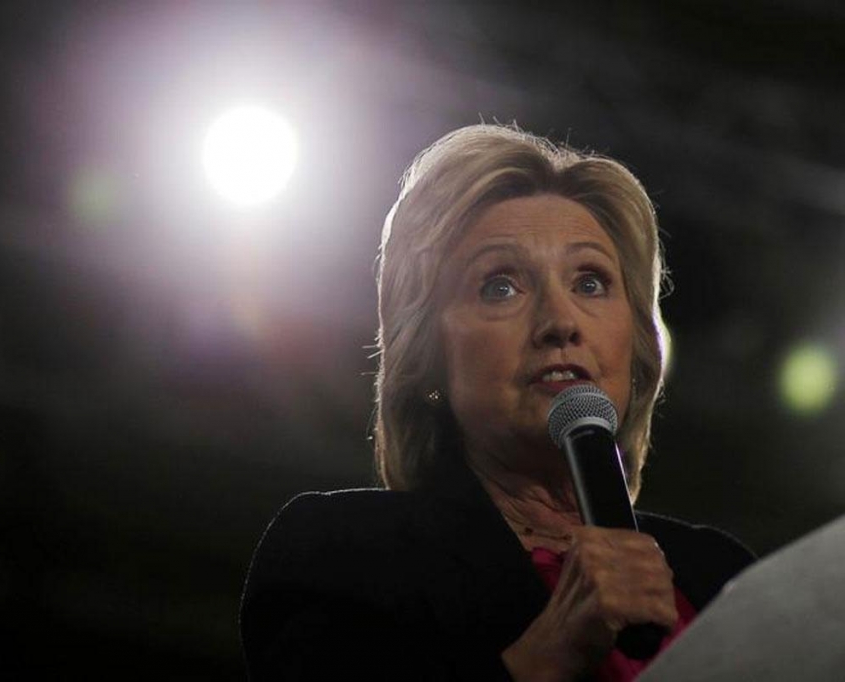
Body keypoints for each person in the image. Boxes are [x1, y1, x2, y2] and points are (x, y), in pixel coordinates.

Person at [240, 124, 755, 681]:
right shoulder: (343, 554)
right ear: (427, 360)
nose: (561, 322)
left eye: (589, 283)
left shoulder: (720, 577)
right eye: (501, 286)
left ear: (635, 346)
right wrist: (550, 653)